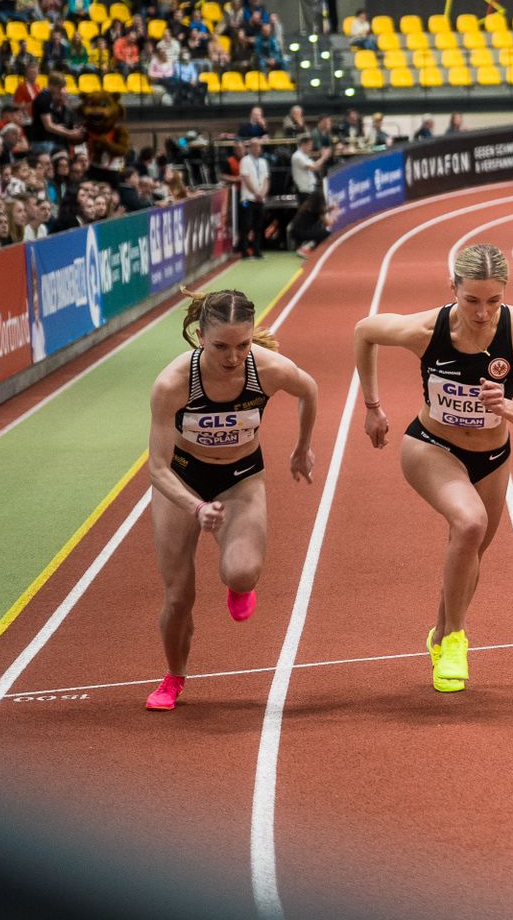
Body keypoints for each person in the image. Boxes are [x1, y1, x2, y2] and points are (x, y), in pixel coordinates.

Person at [354, 245, 513, 692]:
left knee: (470, 554)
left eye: (494, 301)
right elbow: (364, 332)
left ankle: (439, 633)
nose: (483, 313)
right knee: (469, 525)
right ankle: (456, 639)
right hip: (431, 446)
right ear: (454, 290)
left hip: (492, 458)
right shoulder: (427, 329)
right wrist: (372, 406)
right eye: (472, 301)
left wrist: (507, 407)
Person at [143, 290, 318, 709]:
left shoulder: (269, 369)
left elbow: (309, 391)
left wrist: (301, 448)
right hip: (183, 483)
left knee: (241, 573)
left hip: (241, 480)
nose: (233, 357)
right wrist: (196, 507)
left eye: (243, 345)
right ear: (200, 335)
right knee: (179, 596)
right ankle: (173, 677)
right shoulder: (173, 384)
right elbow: (157, 469)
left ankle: (239, 586)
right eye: (221, 346)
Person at [237, 138, 270, 259]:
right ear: (250, 148)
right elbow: (245, 179)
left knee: (258, 226)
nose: (257, 149)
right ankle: (244, 251)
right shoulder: (245, 161)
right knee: (246, 226)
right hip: (248, 198)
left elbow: (266, 179)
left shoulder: (263, 162)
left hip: (260, 199)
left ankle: (257, 250)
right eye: (254, 146)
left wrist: (263, 193)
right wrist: (256, 193)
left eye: (259, 147)